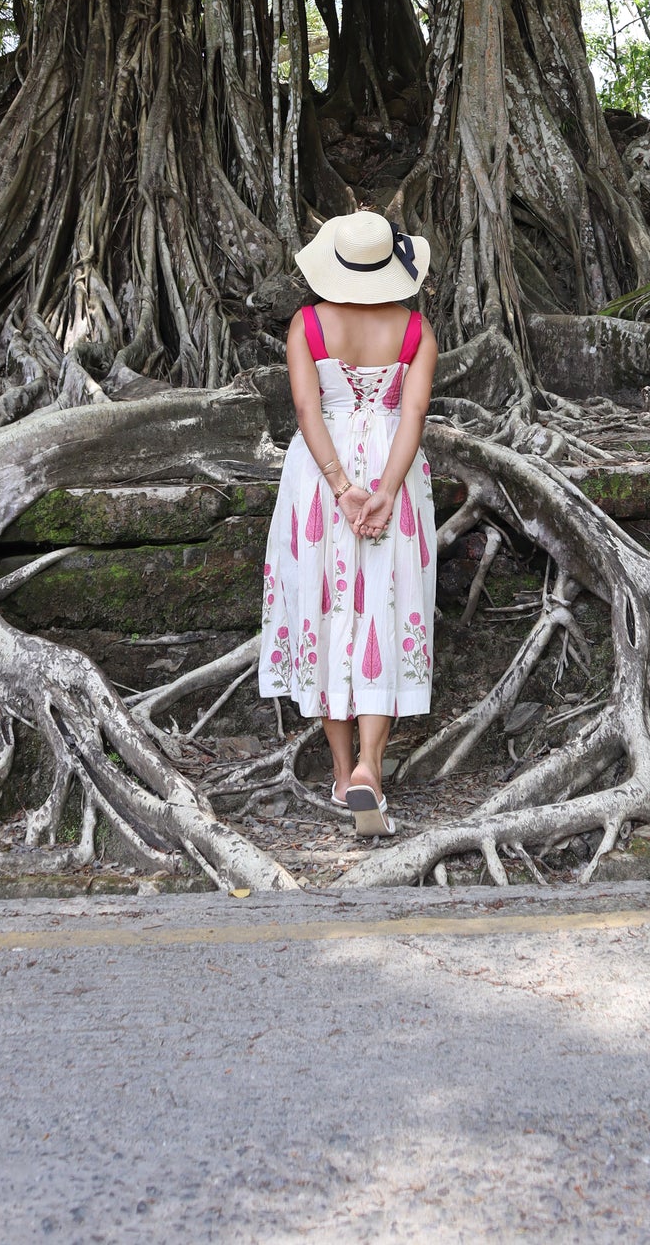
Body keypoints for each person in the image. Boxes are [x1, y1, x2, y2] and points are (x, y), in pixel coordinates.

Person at [258, 210, 438, 836]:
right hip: (393, 474)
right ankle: (370, 770)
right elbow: (412, 415)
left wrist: (341, 487)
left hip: (321, 479)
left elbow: (307, 407)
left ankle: (341, 776)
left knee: (327, 611)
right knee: (382, 613)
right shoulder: (416, 331)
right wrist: (384, 492)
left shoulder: (306, 325)